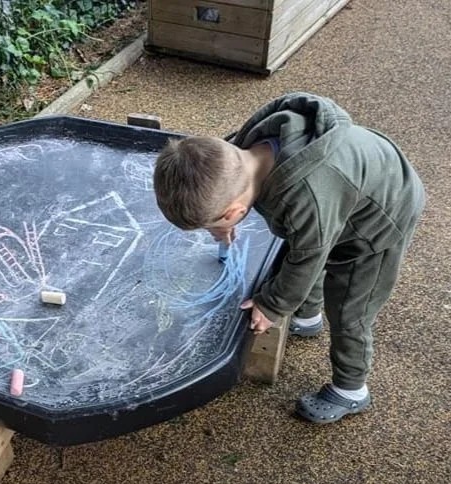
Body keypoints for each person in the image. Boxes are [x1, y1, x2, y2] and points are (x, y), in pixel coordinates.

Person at [153, 92, 424, 423]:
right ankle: (308, 319)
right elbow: (308, 244)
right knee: (306, 247)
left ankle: (351, 389)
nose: (213, 232)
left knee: (351, 306)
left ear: (235, 211)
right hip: (346, 193)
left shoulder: (304, 199)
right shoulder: (245, 152)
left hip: (381, 218)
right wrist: (220, 226)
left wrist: (273, 304)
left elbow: (308, 256)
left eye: (213, 225)